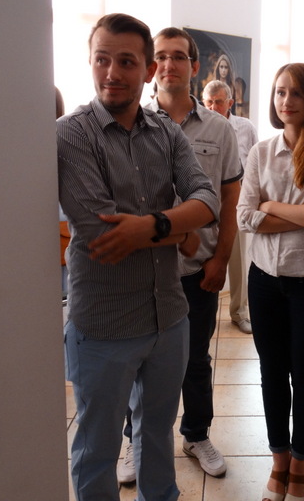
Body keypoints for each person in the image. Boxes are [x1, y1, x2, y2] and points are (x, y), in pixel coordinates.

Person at [57, 13, 218, 501]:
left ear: (148, 70)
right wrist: (180, 232)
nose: (112, 73)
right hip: (103, 324)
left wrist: (152, 226)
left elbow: (207, 199)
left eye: (126, 62)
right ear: (90, 62)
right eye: (102, 60)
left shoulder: (166, 132)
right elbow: (103, 233)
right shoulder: (71, 135)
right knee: (98, 446)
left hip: (168, 317)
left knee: (157, 434)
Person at [121, 27, 242, 482]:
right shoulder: (131, 120)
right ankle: (134, 440)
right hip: (142, 267)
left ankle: (196, 434)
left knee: (194, 359)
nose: (169, 65)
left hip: (196, 269)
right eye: (162, 57)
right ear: (152, 66)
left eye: (179, 57)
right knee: (137, 357)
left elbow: (229, 200)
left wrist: (220, 259)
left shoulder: (219, 129)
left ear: (194, 65)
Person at [237, 63, 304, 501]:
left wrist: (272, 207)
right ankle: (278, 460)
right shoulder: (261, 152)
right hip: (263, 280)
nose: (286, 101)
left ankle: (300, 463)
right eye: (280, 92)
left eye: (296, 93)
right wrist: (302, 215)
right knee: (271, 373)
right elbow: (245, 216)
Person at [202, 79, 258, 334]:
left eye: (218, 102)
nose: (213, 107)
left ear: (230, 103)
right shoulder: (199, 126)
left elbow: (256, 165)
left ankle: (239, 312)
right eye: (209, 102)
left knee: (237, 261)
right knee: (203, 259)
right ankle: (205, 315)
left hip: (237, 203)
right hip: (204, 204)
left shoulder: (245, 128)